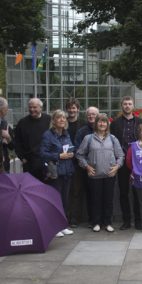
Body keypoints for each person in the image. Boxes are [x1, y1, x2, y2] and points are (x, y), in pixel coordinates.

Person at [76, 113, 124, 233]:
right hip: (94, 175)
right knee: (95, 200)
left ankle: (107, 222)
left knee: (108, 200)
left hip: (110, 174)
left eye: (104, 121)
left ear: (108, 124)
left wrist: (117, 166)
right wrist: (86, 166)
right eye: (100, 121)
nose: (102, 124)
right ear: (96, 124)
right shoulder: (89, 138)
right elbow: (79, 154)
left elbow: (121, 155)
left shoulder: (113, 138)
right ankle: (96, 222)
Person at [110, 96, 142, 230]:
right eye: (125, 104)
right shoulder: (115, 123)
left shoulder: (141, 122)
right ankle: (126, 220)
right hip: (122, 161)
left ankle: (138, 220)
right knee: (123, 192)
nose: (127, 106)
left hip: (138, 161)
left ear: (133, 106)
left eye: (129, 104)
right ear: (122, 106)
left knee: (138, 192)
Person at [40, 110, 75, 238]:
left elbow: (71, 146)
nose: (62, 120)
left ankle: (63, 225)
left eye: (64, 118)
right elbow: (43, 154)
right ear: (53, 120)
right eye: (59, 118)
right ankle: (54, 227)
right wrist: (59, 155)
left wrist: (71, 152)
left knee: (64, 200)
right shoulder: (47, 135)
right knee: (55, 200)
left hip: (67, 171)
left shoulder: (66, 134)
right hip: (55, 172)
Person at [74, 106, 99, 225]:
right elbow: (78, 150)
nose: (91, 116)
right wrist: (86, 165)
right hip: (85, 167)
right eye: (89, 114)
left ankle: (100, 219)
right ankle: (91, 219)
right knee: (88, 194)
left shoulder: (104, 129)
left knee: (99, 194)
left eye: (94, 114)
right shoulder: (82, 131)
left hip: (101, 167)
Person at [15, 98, 51, 181]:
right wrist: (22, 158)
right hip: (29, 163)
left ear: (41, 108)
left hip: (46, 162)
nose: (32, 109)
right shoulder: (22, 122)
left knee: (45, 189)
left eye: (35, 107)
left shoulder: (49, 120)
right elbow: (17, 141)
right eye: (30, 107)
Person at [65, 97, 85, 228]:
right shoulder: (63, 122)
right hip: (64, 161)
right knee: (65, 191)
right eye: (69, 108)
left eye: (74, 108)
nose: (72, 110)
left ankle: (75, 218)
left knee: (76, 191)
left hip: (77, 162)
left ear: (78, 109)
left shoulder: (82, 124)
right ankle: (65, 216)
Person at [0, 97, 14, 173]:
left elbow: (12, 146)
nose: (7, 110)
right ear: (1, 109)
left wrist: (8, 137)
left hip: (4, 166)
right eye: (6, 108)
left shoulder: (5, 124)